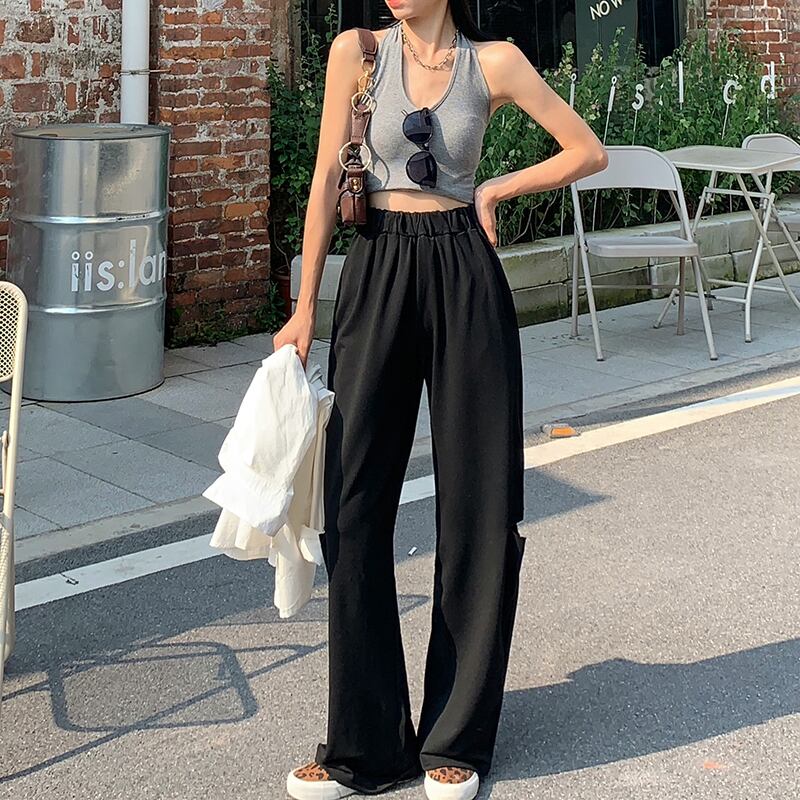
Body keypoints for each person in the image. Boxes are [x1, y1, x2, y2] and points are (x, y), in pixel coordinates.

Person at [275, 2, 607, 798]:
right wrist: (304, 305)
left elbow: (587, 150)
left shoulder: (495, 64)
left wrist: (495, 189)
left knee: (480, 505)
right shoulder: (357, 53)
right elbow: (325, 180)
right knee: (352, 502)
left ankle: (455, 737)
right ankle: (364, 745)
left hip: (464, 273)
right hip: (378, 267)